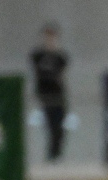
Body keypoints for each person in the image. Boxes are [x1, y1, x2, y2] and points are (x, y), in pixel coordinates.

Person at [30, 25, 69, 163]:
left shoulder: (60, 56)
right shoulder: (38, 55)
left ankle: (56, 154)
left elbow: (61, 71)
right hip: (44, 94)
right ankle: (49, 155)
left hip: (58, 94)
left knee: (59, 125)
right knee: (48, 124)